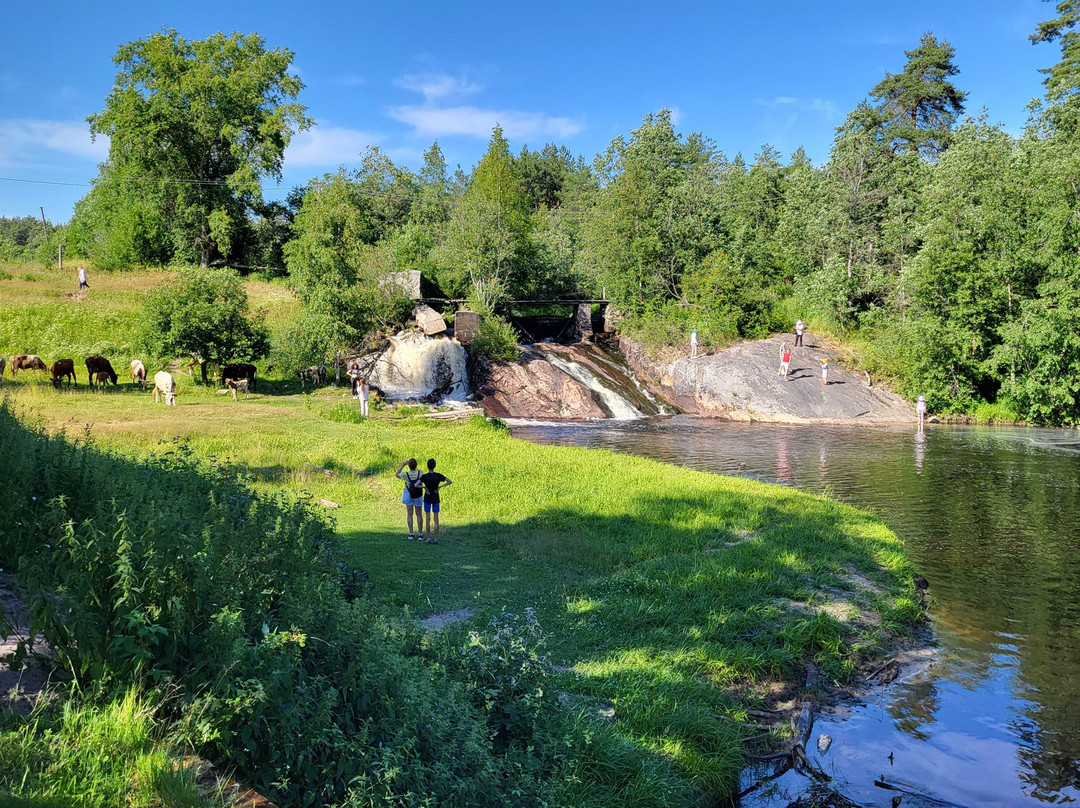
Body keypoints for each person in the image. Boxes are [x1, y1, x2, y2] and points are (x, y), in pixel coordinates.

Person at [419, 458, 452, 545]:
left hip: (427, 497)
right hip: (435, 497)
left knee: (427, 518)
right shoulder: (438, 476)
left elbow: (416, 484)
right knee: (436, 518)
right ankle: (436, 538)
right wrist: (440, 487)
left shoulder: (424, 476)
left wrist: (424, 488)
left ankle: (429, 538)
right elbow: (449, 481)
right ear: (434, 466)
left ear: (427, 466)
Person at [396, 459, 424, 540]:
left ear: (409, 466)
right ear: (416, 465)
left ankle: (411, 533)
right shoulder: (420, 472)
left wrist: (403, 465)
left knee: (409, 514)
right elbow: (419, 472)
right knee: (419, 514)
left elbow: (397, 474)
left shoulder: (405, 474)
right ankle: (420, 534)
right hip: (418, 493)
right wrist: (415, 467)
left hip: (408, 493)